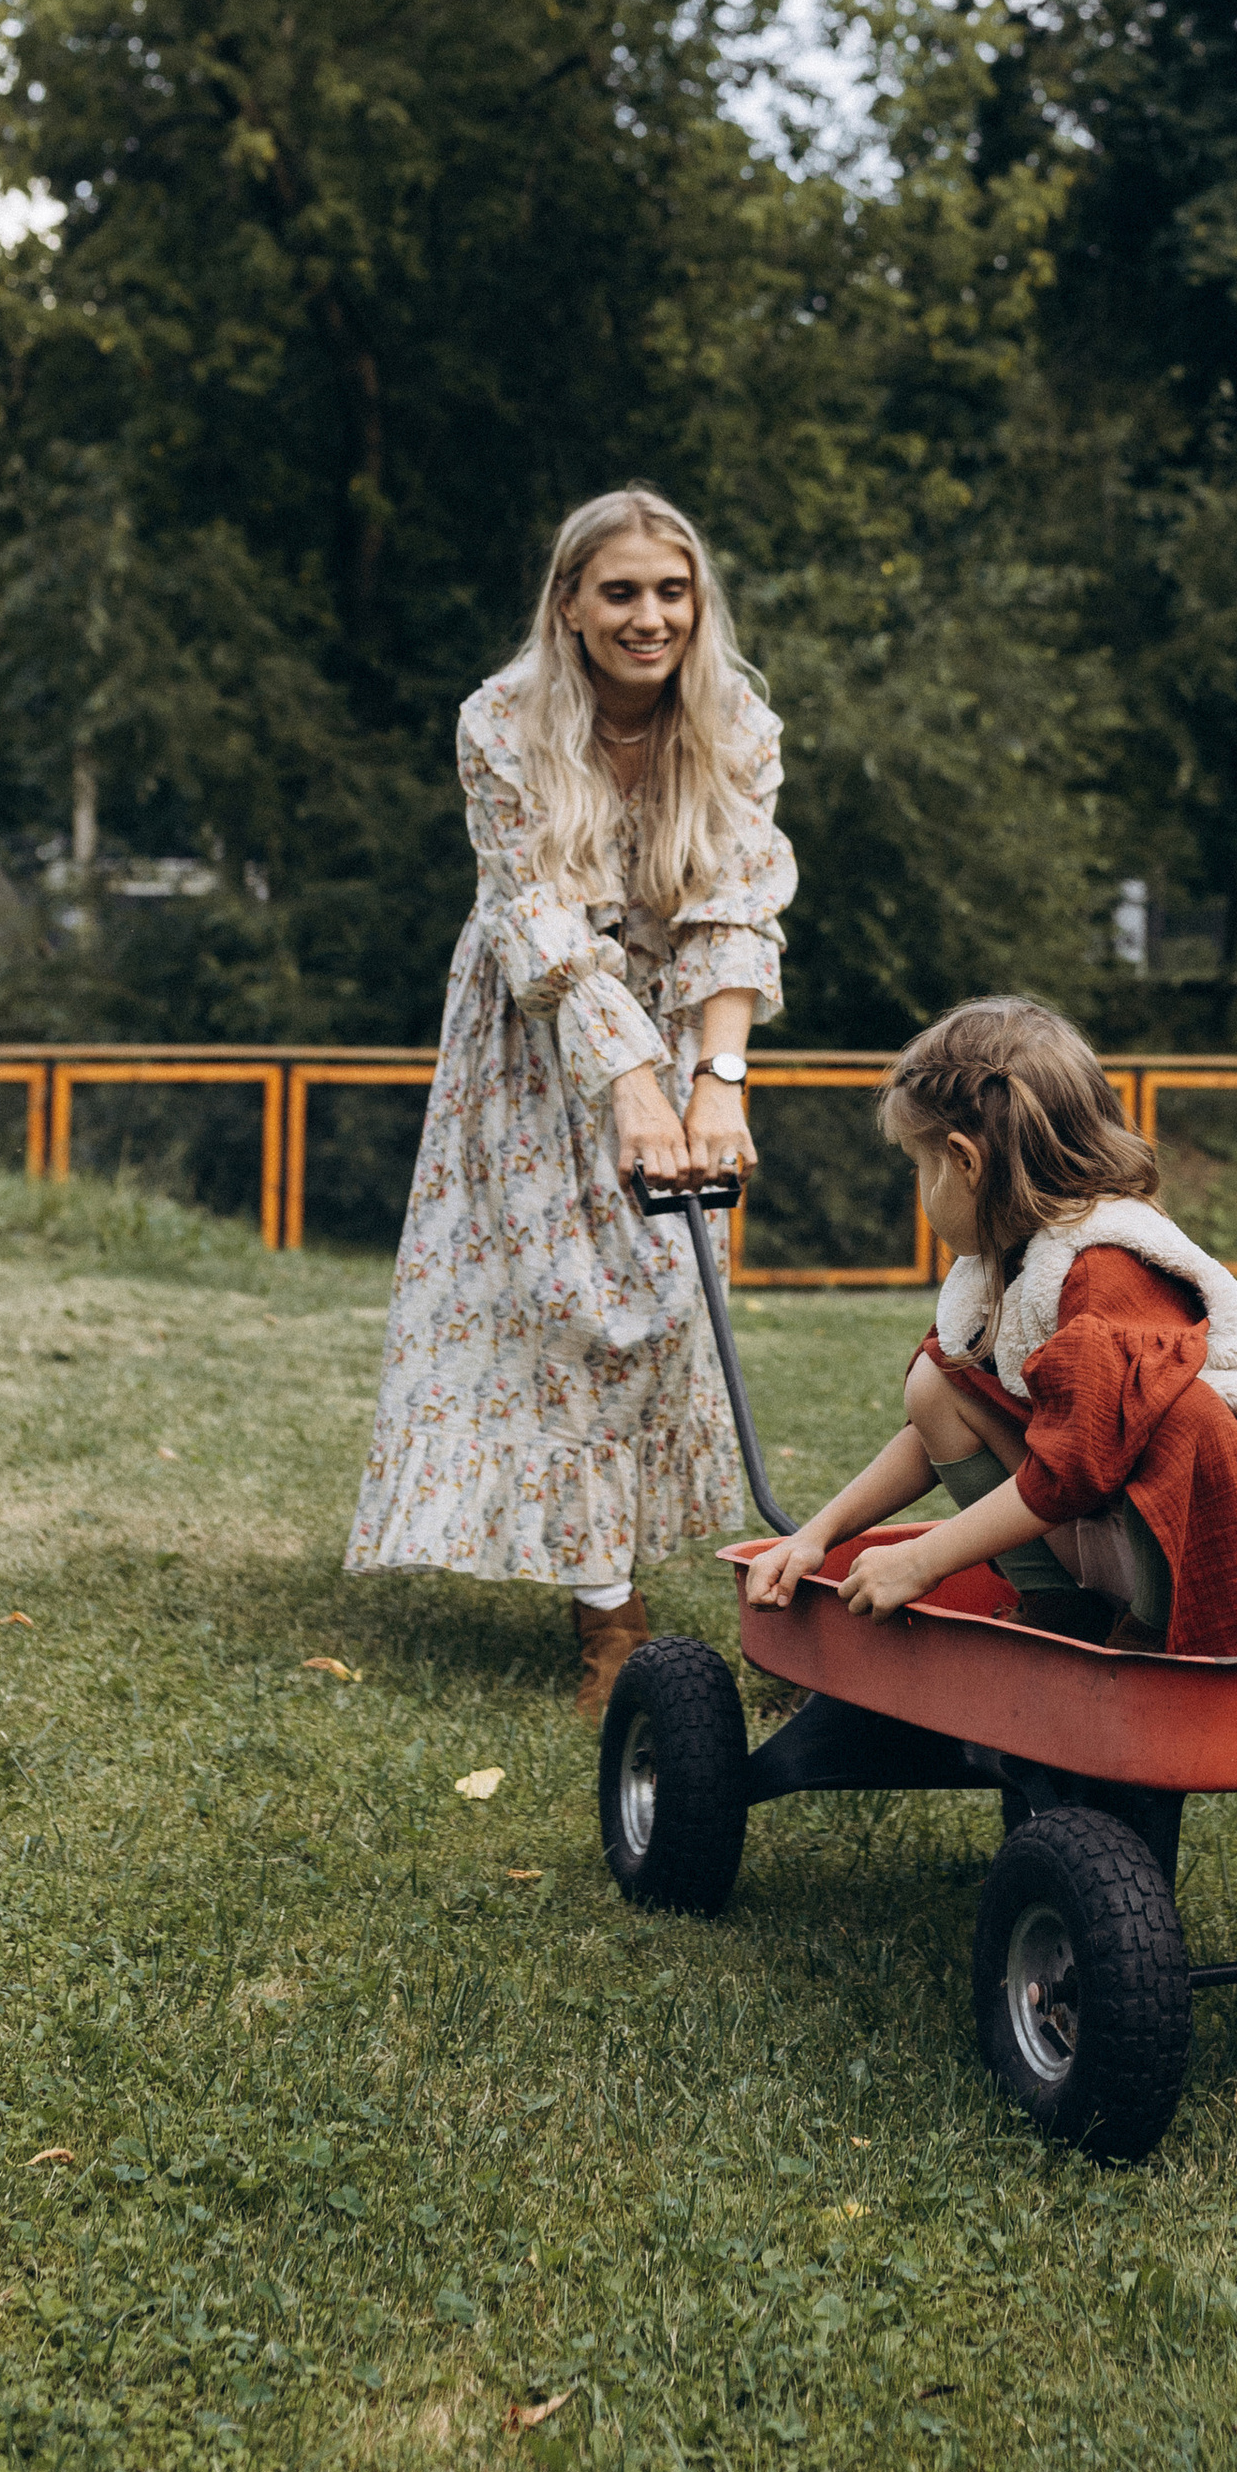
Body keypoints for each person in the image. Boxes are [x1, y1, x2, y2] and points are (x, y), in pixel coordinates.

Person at [346, 486, 795, 1719]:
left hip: (675, 1011)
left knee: (666, 1296)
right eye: (620, 593)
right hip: (540, 1027)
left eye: (670, 591)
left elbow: (734, 912)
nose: (649, 618)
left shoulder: (737, 724)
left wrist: (715, 1082)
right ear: (570, 604)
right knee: (576, 1306)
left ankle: (706, 1586)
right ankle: (609, 1616)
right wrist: (629, 1086)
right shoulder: (501, 722)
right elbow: (538, 915)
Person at [745, 996, 1237, 1658]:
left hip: (1218, 1546)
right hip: (1105, 1518)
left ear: (964, 1161)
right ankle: (1063, 1608)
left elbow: (1082, 1463)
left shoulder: (1106, 1268)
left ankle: (1147, 1637)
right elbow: (938, 1434)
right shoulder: (1014, 1256)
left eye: (921, 1165)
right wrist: (817, 1534)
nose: (921, 1185)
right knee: (938, 1382)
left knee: (1175, 1416)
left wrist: (922, 1559)